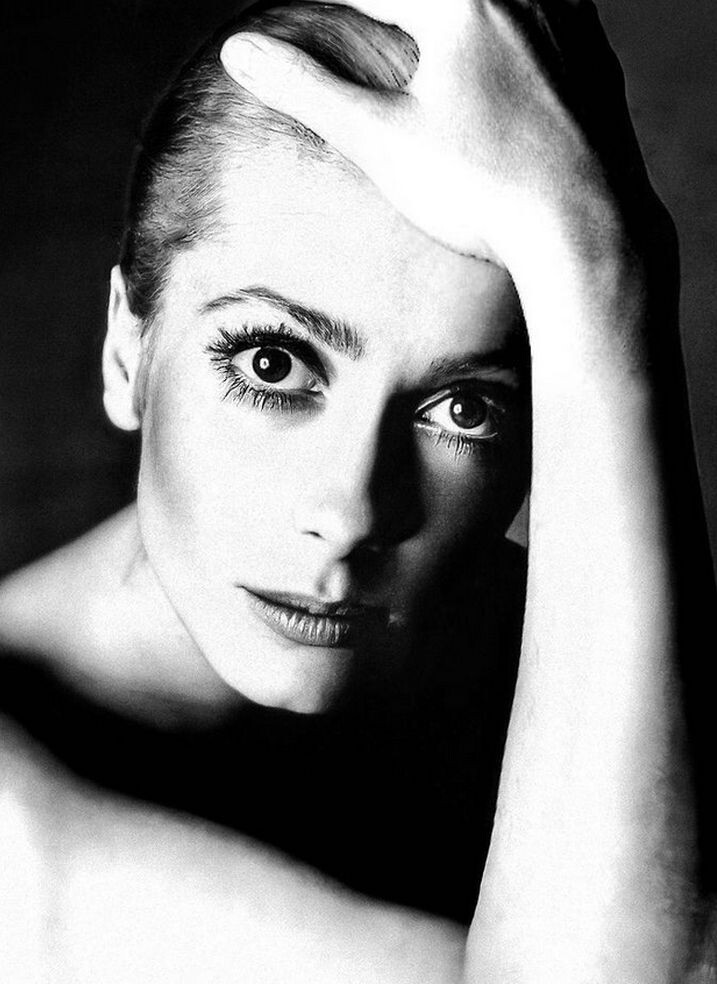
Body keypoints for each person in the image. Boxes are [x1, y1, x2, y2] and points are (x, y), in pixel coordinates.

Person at [0, 0, 714, 980]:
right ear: (129, 352)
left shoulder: (570, 645)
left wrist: (589, 264)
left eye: (465, 409)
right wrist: (607, 264)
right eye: (273, 364)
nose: (350, 514)